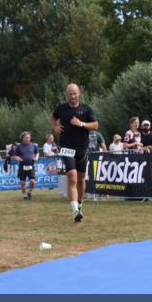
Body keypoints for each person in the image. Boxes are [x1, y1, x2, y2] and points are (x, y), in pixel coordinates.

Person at [50, 83, 99, 223]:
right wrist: (55, 127)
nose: (72, 96)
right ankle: (75, 211)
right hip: (66, 147)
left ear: (79, 94)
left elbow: (95, 125)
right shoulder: (61, 108)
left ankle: (80, 205)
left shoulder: (86, 109)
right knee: (72, 177)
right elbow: (52, 118)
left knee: (81, 179)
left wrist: (81, 124)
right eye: (70, 94)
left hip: (82, 148)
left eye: (74, 93)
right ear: (67, 95)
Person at [11, 131, 40, 200]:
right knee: (22, 182)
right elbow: (15, 155)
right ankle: (24, 195)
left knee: (32, 181)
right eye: (26, 137)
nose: (27, 139)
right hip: (22, 166)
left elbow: (37, 153)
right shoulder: (19, 146)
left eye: (28, 137)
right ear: (22, 138)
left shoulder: (33, 145)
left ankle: (29, 192)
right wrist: (18, 158)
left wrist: (36, 158)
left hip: (31, 165)